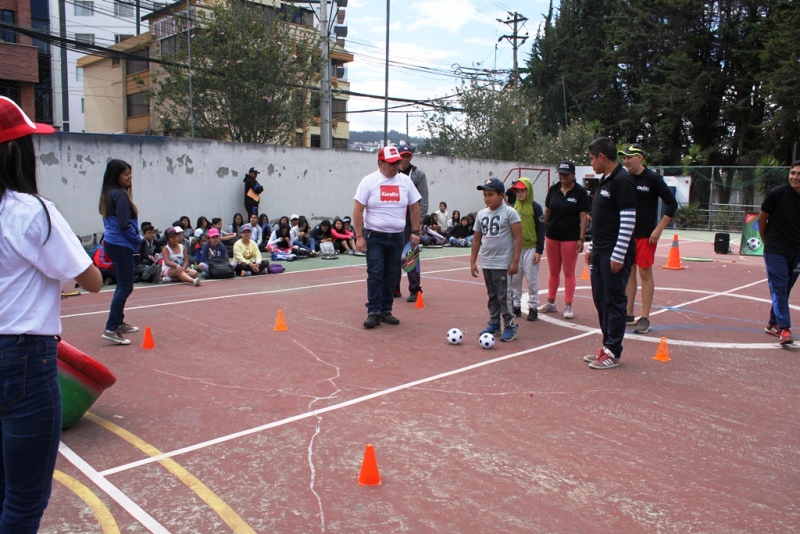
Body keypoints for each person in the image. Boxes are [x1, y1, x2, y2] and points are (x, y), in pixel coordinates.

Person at [0, 95, 102, 532]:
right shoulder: (31, 211)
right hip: (24, 358)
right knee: (24, 500)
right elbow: (91, 278)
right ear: (13, 151)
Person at [353, 146, 421, 328]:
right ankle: (373, 311)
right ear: (380, 163)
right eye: (391, 163)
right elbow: (358, 210)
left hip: (397, 237)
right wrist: (359, 236)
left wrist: (415, 231)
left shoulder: (405, 181)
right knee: (376, 274)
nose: (395, 166)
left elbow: (415, 207)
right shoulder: (369, 181)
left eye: (397, 163)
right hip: (374, 236)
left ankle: (386, 310)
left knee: (392, 275)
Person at [583, 138, 637, 369]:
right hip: (600, 251)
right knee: (600, 300)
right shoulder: (605, 181)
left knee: (614, 301)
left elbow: (628, 219)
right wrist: (593, 246)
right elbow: (603, 220)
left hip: (613, 254)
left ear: (602, 157)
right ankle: (606, 346)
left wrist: (618, 254)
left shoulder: (622, 180)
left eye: (592, 158)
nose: (591, 163)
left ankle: (613, 350)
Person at [617, 144, 679, 334]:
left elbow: (672, 203)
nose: (626, 161)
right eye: (624, 157)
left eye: (630, 157)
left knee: (645, 274)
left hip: (645, 235)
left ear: (640, 158)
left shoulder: (652, 178)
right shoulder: (623, 178)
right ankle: (628, 314)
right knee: (628, 273)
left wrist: (659, 228)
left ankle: (645, 318)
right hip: (626, 234)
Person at [470, 178, 522, 342]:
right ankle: (494, 323)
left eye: (491, 194)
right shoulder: (481, 214)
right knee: (492, 295)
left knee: (504, 296)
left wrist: (515, 261)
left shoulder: (509, 213)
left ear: (501, 195)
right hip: (487, 262)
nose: (487, 198)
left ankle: (510, 325)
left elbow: (518, 238)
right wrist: (473, 261)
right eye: (485, 195)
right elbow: (477, 239)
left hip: (503, 263)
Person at [539, 161, 591, 319]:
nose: (563, 177)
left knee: (569, 272)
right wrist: (542, 228)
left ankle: (568, 305)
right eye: (561, 174)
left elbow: (584, 216)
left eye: (566, 174)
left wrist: (581, 238)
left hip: (570, 237)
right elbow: (547, 211)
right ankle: (551, 302)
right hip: (552, 235)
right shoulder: (553, 189)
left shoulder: (580, 192)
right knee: (553, 271)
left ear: (573, 175)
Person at [99, 159, 143, 345]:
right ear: (116, 176)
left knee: (124, 285)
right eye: (126, 174)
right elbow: (124, 225)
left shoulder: (108, 193)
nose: (130, 177)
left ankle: (118, 322)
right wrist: (138, 240)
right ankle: (111, 328)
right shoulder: (120, 195)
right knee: (125, 286)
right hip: (121, 243)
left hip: (113, 242)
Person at [757, 160, 800, 346]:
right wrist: (767, 243)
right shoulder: (777, 194)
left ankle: (772, 324)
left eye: (799, 174)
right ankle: (784, 329)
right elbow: (761, 220)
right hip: (775, 250)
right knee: (780, 288)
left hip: (796, 252)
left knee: (785, 289)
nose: (795, 177)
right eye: (792, 173)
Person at [395, 144, 428, 302]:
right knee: (393, 255)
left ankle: (415, 289)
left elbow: (423, 199)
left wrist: (418, 225)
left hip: (410, 223)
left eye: (408, 156)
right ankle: (394, 287)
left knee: (410, 255)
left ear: (411, 157)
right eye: (402, 156)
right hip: (394, 222)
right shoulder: (392, 173)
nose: (405, 159)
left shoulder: (418, 175)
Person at [509, 178, 545, 321]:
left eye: (522, 190)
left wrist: (539, 250)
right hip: (516, 249)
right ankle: (516, 305)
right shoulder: (513, 207)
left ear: (528, 190)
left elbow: (541, 230)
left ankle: (533, 307)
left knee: (531, 279)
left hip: (531, 248)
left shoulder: (536, 207)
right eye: (517, 191)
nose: (520, 193)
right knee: (515, 279)